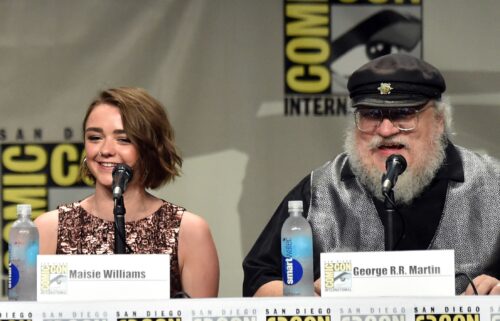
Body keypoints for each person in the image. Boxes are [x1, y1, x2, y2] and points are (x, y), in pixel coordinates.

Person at [243, 53, 500, 296]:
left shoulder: (492, 186)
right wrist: (303, 296)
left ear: (439, 121)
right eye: (371, 115)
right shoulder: (323, 190)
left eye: (403, 114)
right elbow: (258, 280)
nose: (386, 129)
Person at [35, 87, 219, 298]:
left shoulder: (189, 231)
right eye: (95, 137)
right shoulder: (48, 228)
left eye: (123, 139)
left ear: (150, 148)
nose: (105, 150)